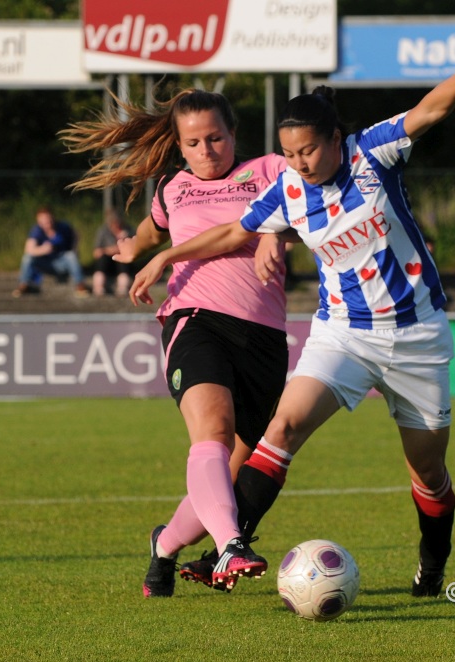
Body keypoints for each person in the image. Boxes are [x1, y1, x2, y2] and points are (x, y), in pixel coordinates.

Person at [124, 33, 455, 598]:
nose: (298, 164)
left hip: (416, 336)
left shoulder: (373, 153)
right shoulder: (289, 188)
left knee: (428, 473)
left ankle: (432, 566)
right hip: (342, 335)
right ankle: (227, 550)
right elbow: (236, 230)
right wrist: (168, 252)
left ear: (335, 139)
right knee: (280, 431)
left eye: (308, 151)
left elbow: (430, 109)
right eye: (288, 155)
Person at [60, 88, 289, 596]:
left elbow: (314, 207)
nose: (207, 150)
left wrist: (279, 232)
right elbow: (146, 235)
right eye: (194, 142)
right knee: (213, 429)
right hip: (194, 318)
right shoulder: (171, 189)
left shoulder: (271, 170)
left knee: (227, 479)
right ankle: (231, 546)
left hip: (265, 338)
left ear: (234, 135)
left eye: (216, 138)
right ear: (179, 147)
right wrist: (131, 250)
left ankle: (164, 547)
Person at [12, 206, 89, 298]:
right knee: (27, 257)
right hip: (45, 264)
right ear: (39, 221)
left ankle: (80, 285)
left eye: (47, 219)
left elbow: (76, 235)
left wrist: (74, 248)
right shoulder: (37, 230)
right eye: (42, 220)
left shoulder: (63, 227)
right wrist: (42, 250)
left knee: (71, 255)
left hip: (61, 263)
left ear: (52, 218)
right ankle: (24, 284)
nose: (46, 222)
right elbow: (28, 250)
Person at [92, 207, 134, 296]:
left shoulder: (129, 230)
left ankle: (123, 287)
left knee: (123, 259)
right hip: (107, 262)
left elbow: (134, 248)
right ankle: (98, 286)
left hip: (122, 262)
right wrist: (111, 250)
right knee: (102, 259)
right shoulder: (103, 231)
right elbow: (96, 252)